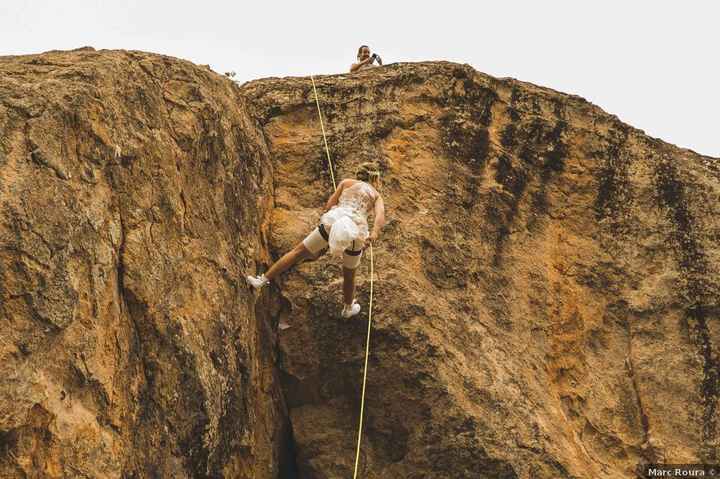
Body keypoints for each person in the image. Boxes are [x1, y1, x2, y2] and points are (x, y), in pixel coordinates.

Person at [246, 162, 386, 318]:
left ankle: (262, 280)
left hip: (334, 223)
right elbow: (380, 216)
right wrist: (373, 234)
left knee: (298, 252)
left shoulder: (346, 183)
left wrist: (335, 210)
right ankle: (347, 308)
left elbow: (329, 205)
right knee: (349, 275)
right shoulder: (376, 195)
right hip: (357, 233)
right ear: (374, 179)